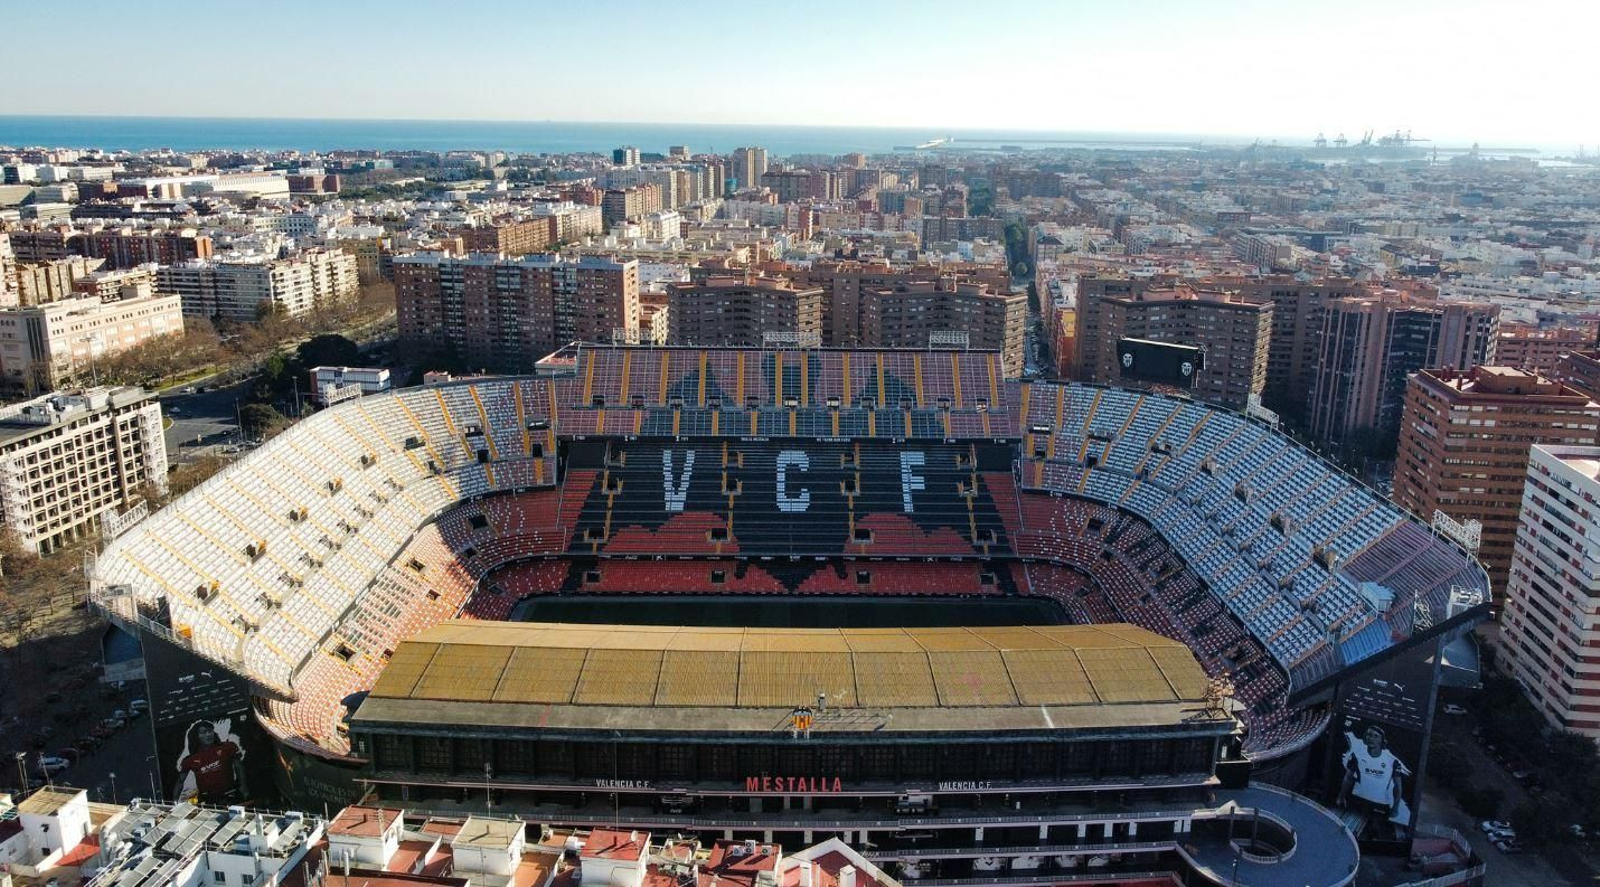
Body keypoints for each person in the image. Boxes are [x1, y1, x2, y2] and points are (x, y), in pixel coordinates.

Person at [1336, 724, 1411, 838]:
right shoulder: (1357, 755)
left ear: (1382, 740)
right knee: (1349, 832)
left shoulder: (1392, 761)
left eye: (1376, 736)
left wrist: (1395, 807)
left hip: (1380, 804)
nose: (1371, 738)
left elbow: (1398, 786)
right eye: (1369, 735)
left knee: (1375, 833)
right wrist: (1341, 797)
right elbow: (1348, 778)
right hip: (1358, 799)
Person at [173, 720, 248, 804]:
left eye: (210, 731)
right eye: (203, 732)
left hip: (230, 794)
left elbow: (239, 767)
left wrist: (243, 787)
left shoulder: (228, 747)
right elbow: (180, 781)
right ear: (196, 736)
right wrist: (175, 801)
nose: (208, 735)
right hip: (208, 800)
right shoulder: (189, 760)